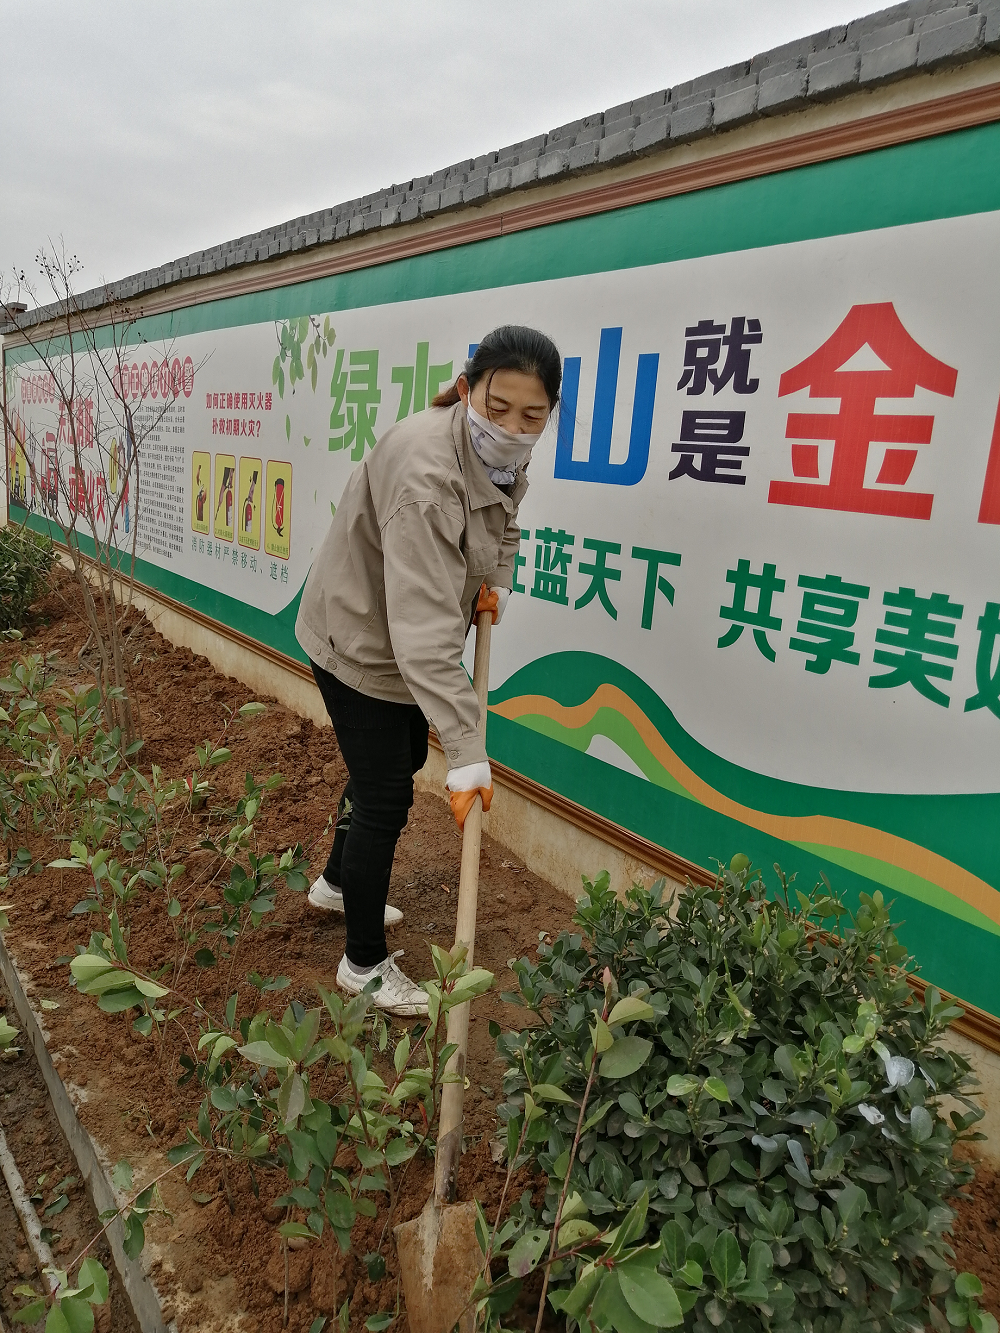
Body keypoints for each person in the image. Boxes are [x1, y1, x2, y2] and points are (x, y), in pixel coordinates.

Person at [295, 324, 562, 1016]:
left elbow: (502, 521)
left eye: (533, 415)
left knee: (394, 757)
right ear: (469, 388)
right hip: (361, 639)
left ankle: (333, 882)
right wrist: (469, 750)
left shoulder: (497, 457)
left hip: (388, 630)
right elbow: (418, 636)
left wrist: (491, 582)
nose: (513, 427)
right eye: (499, 407)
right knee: (386, 792)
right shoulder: (429, 476)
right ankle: (362, 964)